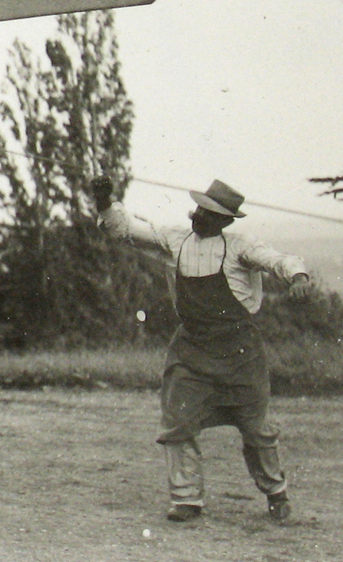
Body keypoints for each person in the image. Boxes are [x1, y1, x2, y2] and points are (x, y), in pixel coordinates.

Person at [91, 176, 319, 523]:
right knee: (178, 420)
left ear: (226, 221)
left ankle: (276, 494)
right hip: (192, 347)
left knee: (256, 428)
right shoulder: (175, 239)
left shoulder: (241, 244)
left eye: (209, 213)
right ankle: (186, 499)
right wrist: (104, 201)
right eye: (199, 208)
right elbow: (125, 230)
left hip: (240, 350)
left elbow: (277, 260)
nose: (198, 216)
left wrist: (298, 277)